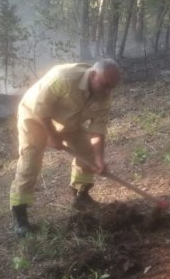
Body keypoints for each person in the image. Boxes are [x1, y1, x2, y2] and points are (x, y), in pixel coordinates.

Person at [9, 59, 122, 237]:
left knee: (87, 151)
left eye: (112, 87)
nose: (108, 91)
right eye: (105, 85)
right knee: (31, 161)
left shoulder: (104, 96)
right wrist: (52, 136)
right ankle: (20, 217)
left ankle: (81, 195)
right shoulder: (63, 79)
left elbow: (98, 130)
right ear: (93, 75)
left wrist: (100, 160)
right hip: (34, 117)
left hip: (69, 121)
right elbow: (41, 110)